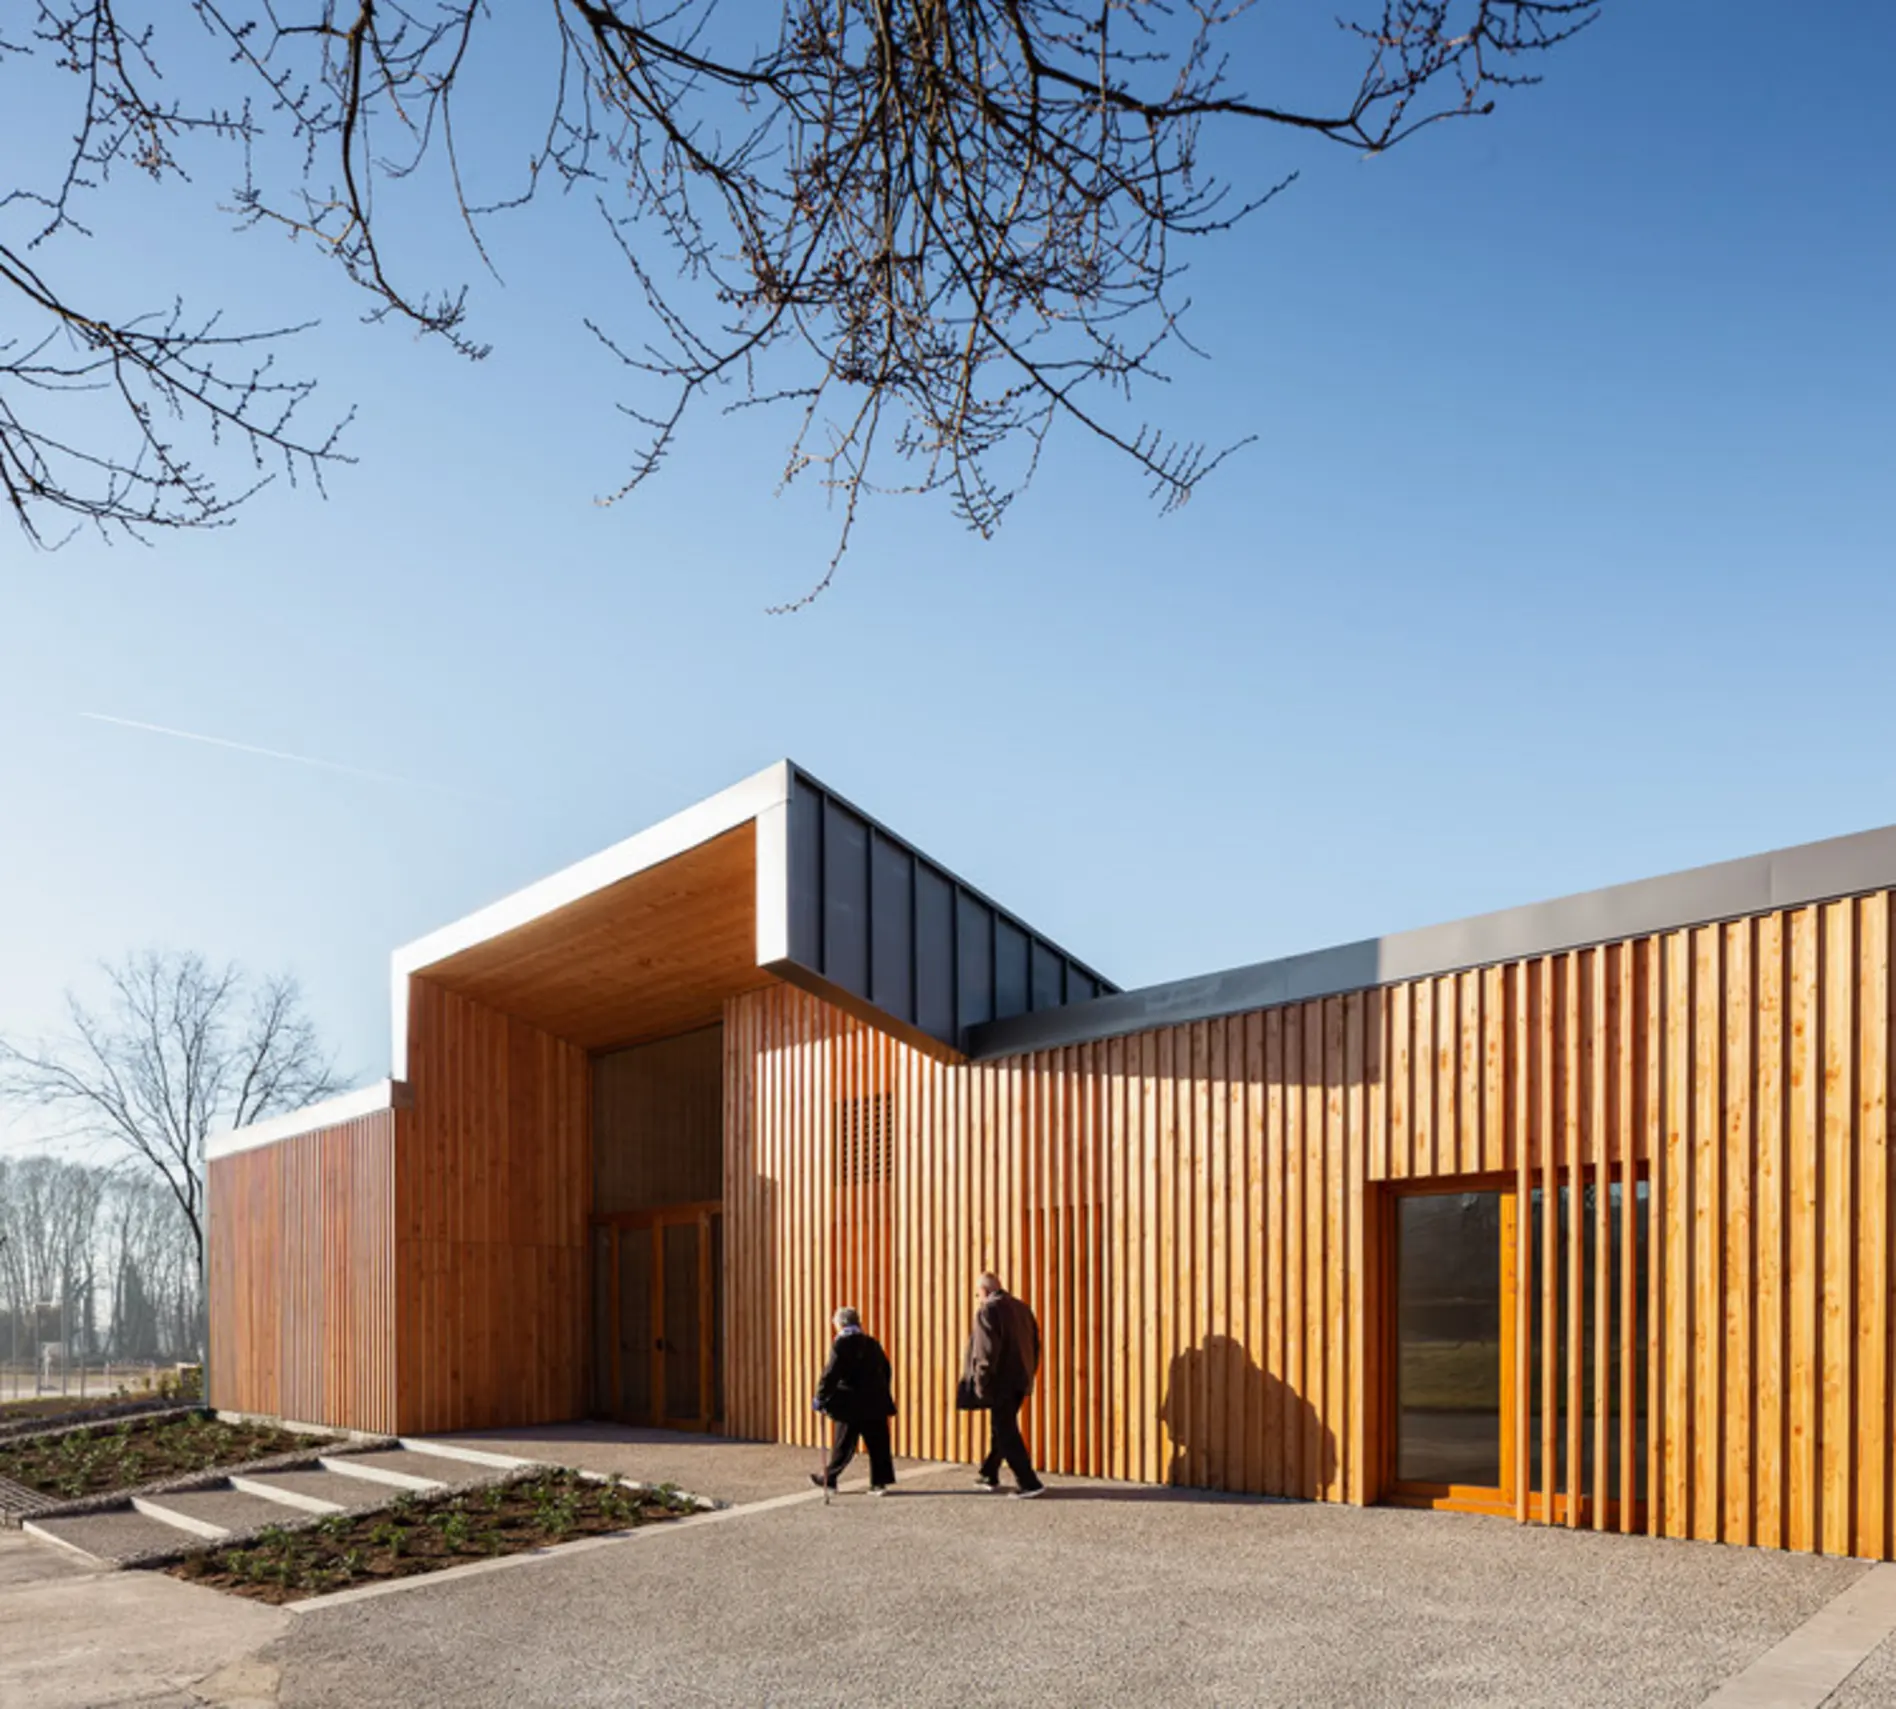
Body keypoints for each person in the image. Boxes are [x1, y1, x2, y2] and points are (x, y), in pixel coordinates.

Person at [962, 1271, 1044, 1498]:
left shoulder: (988, 1311)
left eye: (978, 1294)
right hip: (1020, 1379)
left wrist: (980, 1382)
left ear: (984, 1291)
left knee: (1006, 1431)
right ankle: (989, 1472)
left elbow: (985, 1351)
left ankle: (1029, 1482)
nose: (978, 1298)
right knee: (1001, 1427)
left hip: (1000, 1382)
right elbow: (1035, 1345)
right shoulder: (1022, 1308)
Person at [809, 1306, 897, 1494]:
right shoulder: (872, 1343)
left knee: (843, 1443)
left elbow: (831, 1374)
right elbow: (886, 1368)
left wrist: (820, 1397)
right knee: (878, 1443)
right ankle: (879, 1483)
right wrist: (881, 1389)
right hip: (875, 1401)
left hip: (850, 1403)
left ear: (841, 1324)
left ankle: (829, 1478)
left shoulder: (841, 1344)